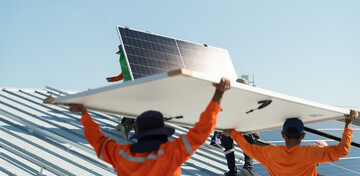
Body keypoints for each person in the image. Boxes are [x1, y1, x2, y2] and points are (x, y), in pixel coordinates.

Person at [65, 77, 231, 176]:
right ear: (162, 133)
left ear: (139, 133)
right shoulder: (171, 153)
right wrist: (218, 94)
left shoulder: (121, 155)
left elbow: (97, 140)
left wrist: (84, 113)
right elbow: (202, 131)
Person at [223, 110, 358, 176]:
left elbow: (248, 148)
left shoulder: (269, 153)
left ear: (283, 134)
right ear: (303, 136)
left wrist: (233, 133)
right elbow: (343, 150)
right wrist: (348, 123)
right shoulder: (311, 153)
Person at [220, 77, 258, 176]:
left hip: (229, 127)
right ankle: (248, 168)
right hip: (243, 127)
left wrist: (220, 131)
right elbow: (253, 116)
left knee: (229, 148)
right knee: (248, 147)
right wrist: (255, 131)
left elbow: (222, 113)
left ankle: (233, 170)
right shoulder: (249, 98)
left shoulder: (229, 96)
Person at [106, 44, 135, 139]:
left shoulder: (123, 60)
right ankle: (127, 124)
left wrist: (112, 79)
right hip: (133, 85)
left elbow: (121, 75)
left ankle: (124, 124)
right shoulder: (130, 61)